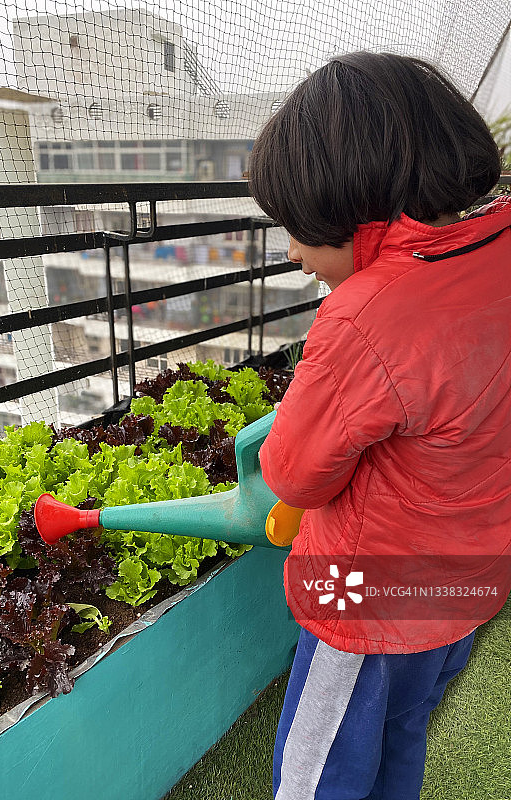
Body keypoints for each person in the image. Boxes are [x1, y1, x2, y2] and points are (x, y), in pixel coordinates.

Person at [248, 51, 511, 800]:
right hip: (464, 576)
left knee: (319, 767)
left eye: (298, 231)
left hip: (366, 594)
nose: (295, 257)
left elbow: (295, 473)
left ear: (357, 214)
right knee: (405, 727)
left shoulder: (365, 313)